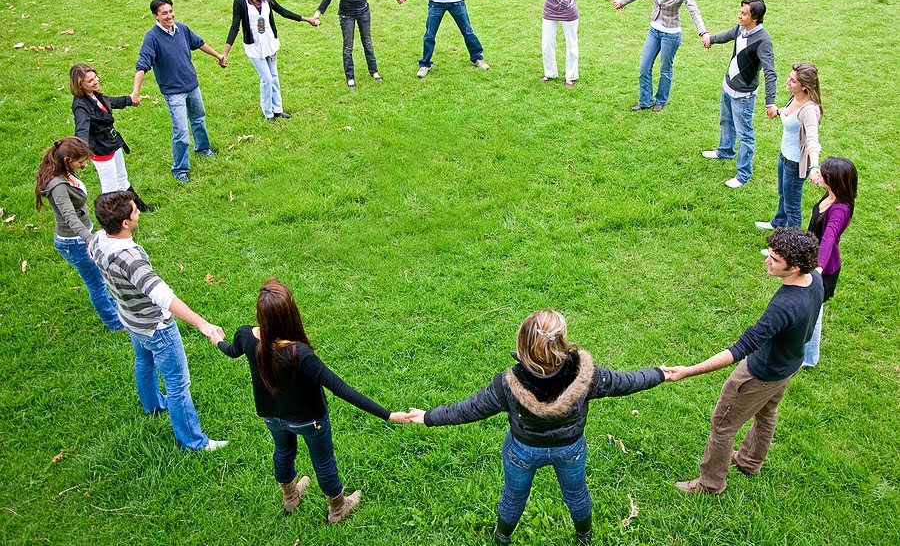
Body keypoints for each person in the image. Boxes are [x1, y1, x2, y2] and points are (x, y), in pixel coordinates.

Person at [408, 309, 668, 545]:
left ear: (522, 342)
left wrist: (427, 417)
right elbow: (628, 381)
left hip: (523, 451)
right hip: (570, 449)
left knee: (513, 496)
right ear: (561, 339)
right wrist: (660, 373)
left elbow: (467, 409)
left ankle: (502, 538)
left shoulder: (506, 384)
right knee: (576, 493)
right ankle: (585, 537)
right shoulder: (588, 375)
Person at [214, 278, 410, 520]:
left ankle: (290, 498)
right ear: (290, 315)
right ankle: (338, 508)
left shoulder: (245, 335)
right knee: (323, 461)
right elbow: (340, 388)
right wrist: (388, 415)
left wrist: (217, 340)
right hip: (309, 420)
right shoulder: (299, 353)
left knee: (283, 452)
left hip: (272, 417)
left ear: (260, 314)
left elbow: (231, 350)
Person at [667, 227, 823, 495]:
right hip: (788, 366)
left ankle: (710, 484)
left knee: (722, 426)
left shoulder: (784, 306)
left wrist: (688, 371)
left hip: (759, 375)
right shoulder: (815, 280)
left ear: (796, 266)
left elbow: (740, 348)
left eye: (775, 259)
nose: (767, 261)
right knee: (767, 414)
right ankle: (750, 462)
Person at [89, 190, 227, 451]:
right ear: (125, 223)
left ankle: (152, 405)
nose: (138, 211)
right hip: (156, 327)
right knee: (178, 385)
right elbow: (163, 296)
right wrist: (203, 324)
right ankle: (193, 442)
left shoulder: (98, 240)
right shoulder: (130, 259)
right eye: (135, 210)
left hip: (131, 318)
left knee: (144, 362)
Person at [132, 0, 227, 184]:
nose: (169, 16)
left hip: (192, 86)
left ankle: (203, 149)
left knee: (199, 119)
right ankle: (180, 170)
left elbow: (199, 43)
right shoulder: (152, 38)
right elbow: (142, 65)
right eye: (164, 13)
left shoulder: (181, 29)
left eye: (170, 11)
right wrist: (135, 92)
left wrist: (218, 56)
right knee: (181, 132)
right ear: (156, 16)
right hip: (173, 92)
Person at [35, 137, 123, 332]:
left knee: (100, 277)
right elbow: (70, 217)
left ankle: (113, 306)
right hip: (74, 243)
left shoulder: (63, 172)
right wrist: (89, 239)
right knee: (96, 284)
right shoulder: (58, 187)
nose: (84, 165)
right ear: (67, 160)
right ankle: (115, 324)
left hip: (80, 237)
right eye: (81, 161)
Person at [615, 0, 708, 112]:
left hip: (671, 35)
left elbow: (694, 10)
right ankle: (645, 101)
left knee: (665, 69)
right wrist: (623, 1)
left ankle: (661, 100)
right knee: (644, 67)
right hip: (654, 30)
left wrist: (703, 32)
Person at [700, 0, 777, 188]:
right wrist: (710, 39)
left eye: (744, 13)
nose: (739, 16)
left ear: (755, 17)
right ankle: (725, 150)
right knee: (726, 121)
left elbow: (770, 72)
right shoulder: (740, 29)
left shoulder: (763, 41)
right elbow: (727, 35)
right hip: (728, 87)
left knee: (745, 135)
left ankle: (743, 175)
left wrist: (770, 102)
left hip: (743, 96)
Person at [223, 0, 317, 122]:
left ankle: (278, 110)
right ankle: (268, 113)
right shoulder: (239, 1)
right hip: (254, 46)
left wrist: (307, 19)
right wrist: (225, 53)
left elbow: (283, 12)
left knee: (274, 76)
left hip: (270, 42)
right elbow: (234, 27)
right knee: (266, 78)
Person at [69, 64, 154, 211]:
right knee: (110, 190)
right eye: (90, 81)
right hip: (101, 151)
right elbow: (81, 130)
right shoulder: (80, 106)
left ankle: (140, 208)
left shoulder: (95, 95)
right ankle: (110, 219)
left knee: (122, 180)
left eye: (95, 77)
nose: (95, 81)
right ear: (80, 85)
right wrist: (81, 152)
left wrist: (130, 100)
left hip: (113, 143)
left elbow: (111, 102)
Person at [803, 157, 857, 367]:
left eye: (823, 174)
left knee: (814, 313)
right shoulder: (832, 194)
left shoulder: (839, 210)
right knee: (806, 308)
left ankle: (809, 359)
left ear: (834, 181)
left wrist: (818, 269)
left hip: (823, 269)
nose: (819, 175)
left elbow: (829, 239)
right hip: (811, 260)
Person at [755, 63, 823, 230]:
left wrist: (815, 167)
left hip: (795, 164)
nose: (787, 82)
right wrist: (777, 111)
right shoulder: (795, 97)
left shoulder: (809, 111)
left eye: (793, 81)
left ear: (804, 86)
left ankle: (793, 242)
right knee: (783, 194)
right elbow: (789, 112)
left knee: (792, 206)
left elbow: (812, 141)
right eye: (789, 77)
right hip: (784, 156)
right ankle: (778, 223)